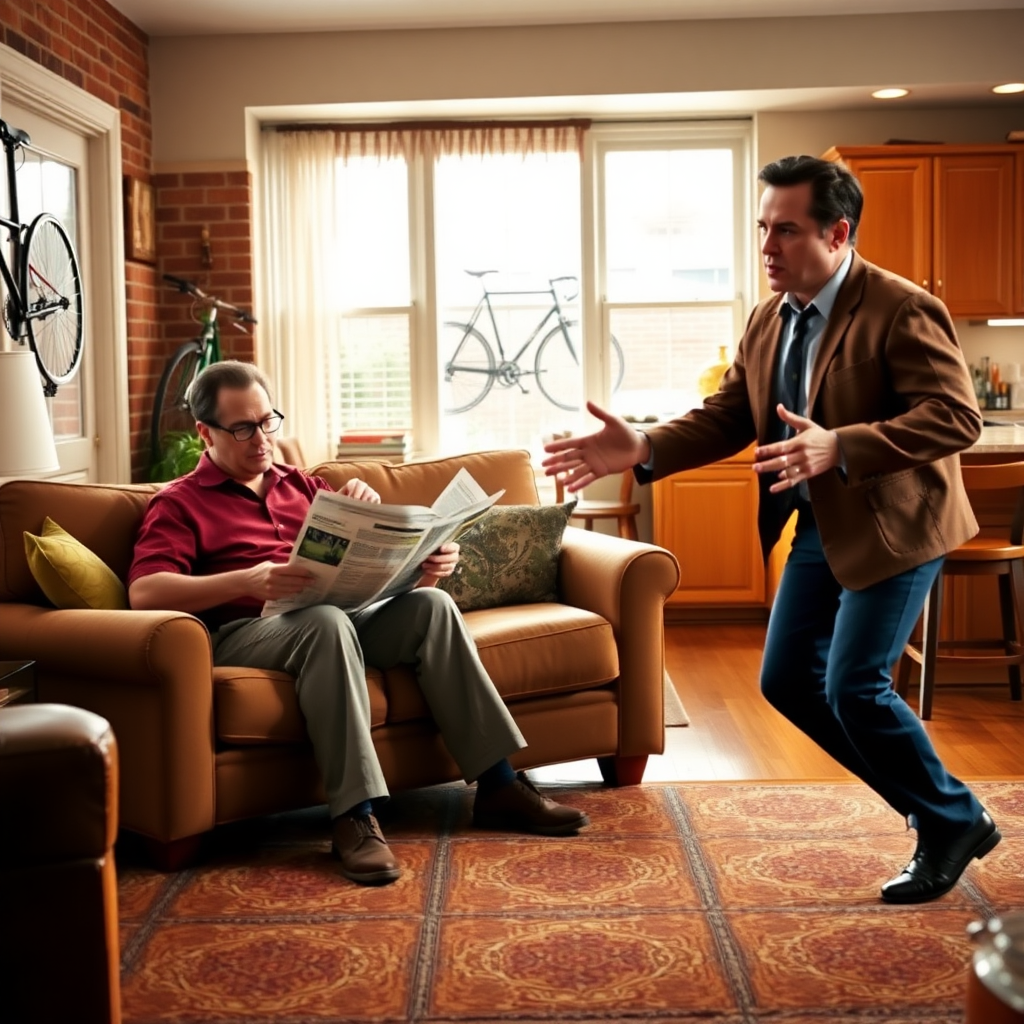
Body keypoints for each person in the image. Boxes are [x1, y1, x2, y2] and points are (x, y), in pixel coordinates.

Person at [544, 155, 1000, 904]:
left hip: (895, 523)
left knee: (855, 685)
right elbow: (731, 415)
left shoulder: (900, 306)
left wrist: (842, 444)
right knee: (787, 680)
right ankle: (947, 814)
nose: (767, 247)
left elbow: (956, 417)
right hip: (820, 524)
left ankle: (946, 817)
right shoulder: (768, 317)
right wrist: (646, 446)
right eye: (763, 228)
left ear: (838, 232)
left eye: (785, 230)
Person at [129, 360, 588, 887]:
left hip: (340, 619)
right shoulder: (178, 502)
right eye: (242, 428)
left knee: (431, 609)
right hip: (246, 633)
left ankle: (500, 784)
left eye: (267, 422)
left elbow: (347, 572)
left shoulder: (304, 487)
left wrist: (423, 568)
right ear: (204, 432)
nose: (261, 439)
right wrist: (246, 580)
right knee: (325, 622)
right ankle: (354, 815)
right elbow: (145, 593)